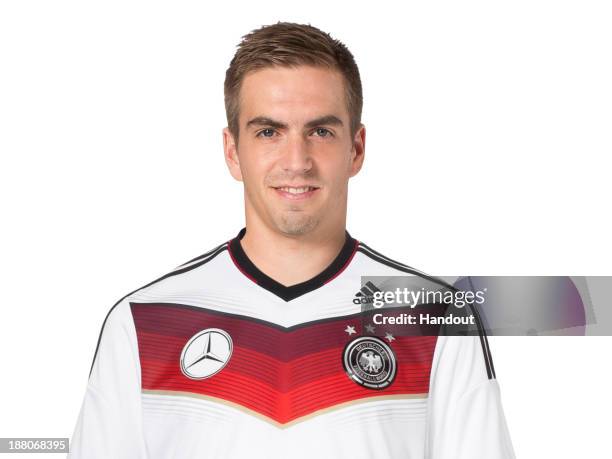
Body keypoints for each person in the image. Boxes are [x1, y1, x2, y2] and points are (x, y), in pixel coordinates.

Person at [68, 21, 515, 458]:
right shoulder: (144, 321)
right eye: (269, 132)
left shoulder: (434, 317)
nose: (297, 161)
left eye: (320, 131)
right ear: (232, 152)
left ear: (356, 149)